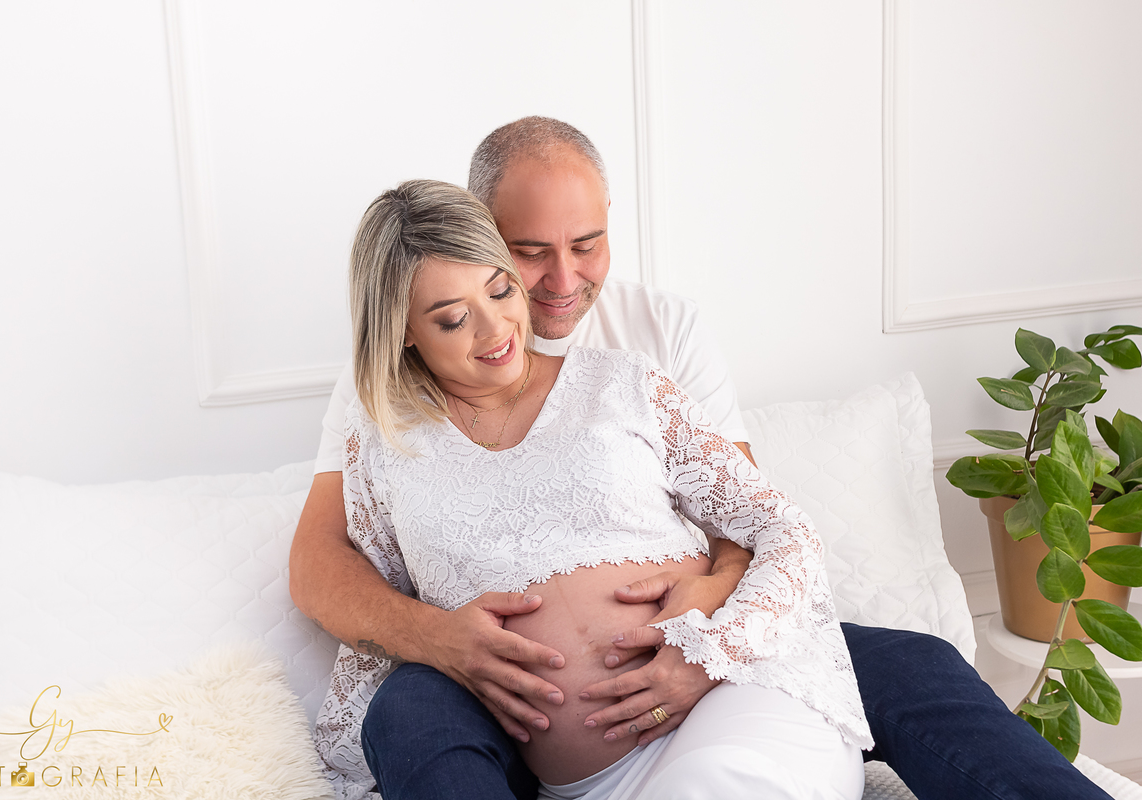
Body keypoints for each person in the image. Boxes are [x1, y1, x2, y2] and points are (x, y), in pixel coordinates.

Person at [291, 117, 1113, 800]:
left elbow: (753, 522)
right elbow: (326, 562)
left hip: (713, 658)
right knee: (408, 712)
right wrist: (437, 638)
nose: (555, 284)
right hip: (515, 708)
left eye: (586, 242)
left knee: (911, 662)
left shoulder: (649, 345)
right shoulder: (380, 414)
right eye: (528, 253)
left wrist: (710, 627)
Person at [319, 176, 870, 800]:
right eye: (452, 319)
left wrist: (715, 648)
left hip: (736, 704)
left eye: (501, 290)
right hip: (586, 783)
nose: (494, 328)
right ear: (404, 332)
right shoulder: (382, 440)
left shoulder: (624, 383)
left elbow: (783, 529)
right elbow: (380, 590)